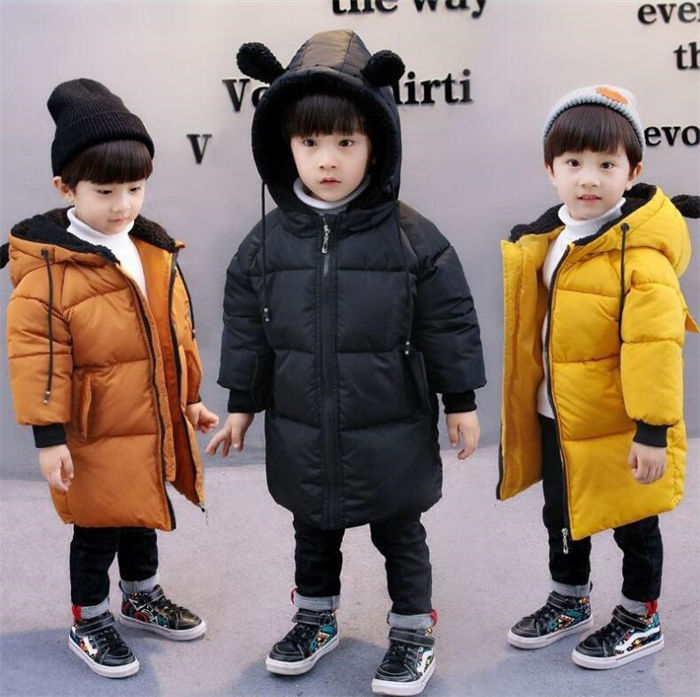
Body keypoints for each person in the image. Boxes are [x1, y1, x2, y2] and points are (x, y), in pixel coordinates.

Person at [207, 29, 485, 696]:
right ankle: (314, 618)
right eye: (310, 143)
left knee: (400, 531)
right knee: (312, 529)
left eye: (345, 142)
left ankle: (412, 629)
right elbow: (247, 326)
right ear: (285, 146)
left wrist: (461, 401)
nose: (327, 160)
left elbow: (447, 321)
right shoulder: (266, 243)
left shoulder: (410, 236)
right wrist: (242, 404)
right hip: (302, 423)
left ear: (376, 144)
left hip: (391, 421)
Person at [1, 79, 218, 679]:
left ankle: (140, 595)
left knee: (141, 510)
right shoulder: (51, 270)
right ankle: (89, 617)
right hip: (91, 429)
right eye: (105, 192)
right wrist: (49, 438)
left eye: (135, 188)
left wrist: (189, 398)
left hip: (148, 418)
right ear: (65, 188)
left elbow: (174, 332)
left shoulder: (149, 249)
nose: (123, 205)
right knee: (98, 527)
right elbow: (38, 358)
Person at [498, 84, 698, 669]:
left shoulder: (642, 259)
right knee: (561, 515)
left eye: (607, 165)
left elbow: (655, 350)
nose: (589, 178)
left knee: (633, 522)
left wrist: (653, 431)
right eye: (573, 163)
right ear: (550, 170)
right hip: (557, 414)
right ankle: (569, 599)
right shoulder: (549, 241)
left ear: (633, 172)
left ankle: (640, 616)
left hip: (622, 424)